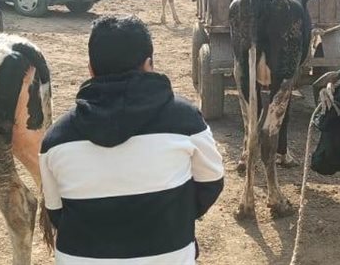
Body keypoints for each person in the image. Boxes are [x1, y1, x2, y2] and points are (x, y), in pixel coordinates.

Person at [40, 15, 224, 265]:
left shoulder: (55, 140)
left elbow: (56, 213)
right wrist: (171, 215)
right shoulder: (186, 121)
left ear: (90, 69)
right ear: (149, 64)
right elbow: (211, 182)